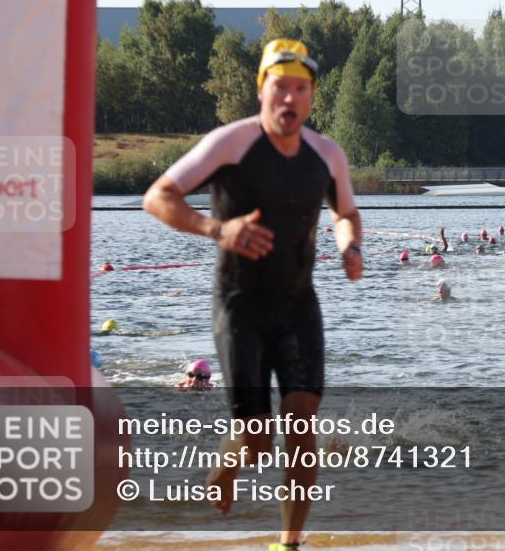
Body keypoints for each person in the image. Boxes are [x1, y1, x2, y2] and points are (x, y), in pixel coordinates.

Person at [143, 39, 362, 549]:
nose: (289, 99)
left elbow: (346, 213)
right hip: (240, 305)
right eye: (279, 87)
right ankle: (227, 465)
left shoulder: (326, 154)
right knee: (258, 440)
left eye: (300, 90)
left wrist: (350, 247)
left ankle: (288, 544)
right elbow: (158, 197)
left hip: (298, 303)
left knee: (302, 428)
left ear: (311, 98)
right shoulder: (230, 143)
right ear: (261, 88)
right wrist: (216, 229)